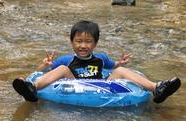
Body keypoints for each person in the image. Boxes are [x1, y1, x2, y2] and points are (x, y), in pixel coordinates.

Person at [13, 20, 181, 103]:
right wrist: (44, 64)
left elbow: (112, 67)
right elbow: (40, 72)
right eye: (78, 41)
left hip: (101, 84)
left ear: (95, 43)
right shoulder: (66, 59)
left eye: (88, 42)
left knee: (122, 72)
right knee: (63, 68)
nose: (83, 45)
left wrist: (120, 63)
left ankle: (156, 88)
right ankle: (31, 88)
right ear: (72, 42)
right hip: (75, 82)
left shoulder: (101, 58)